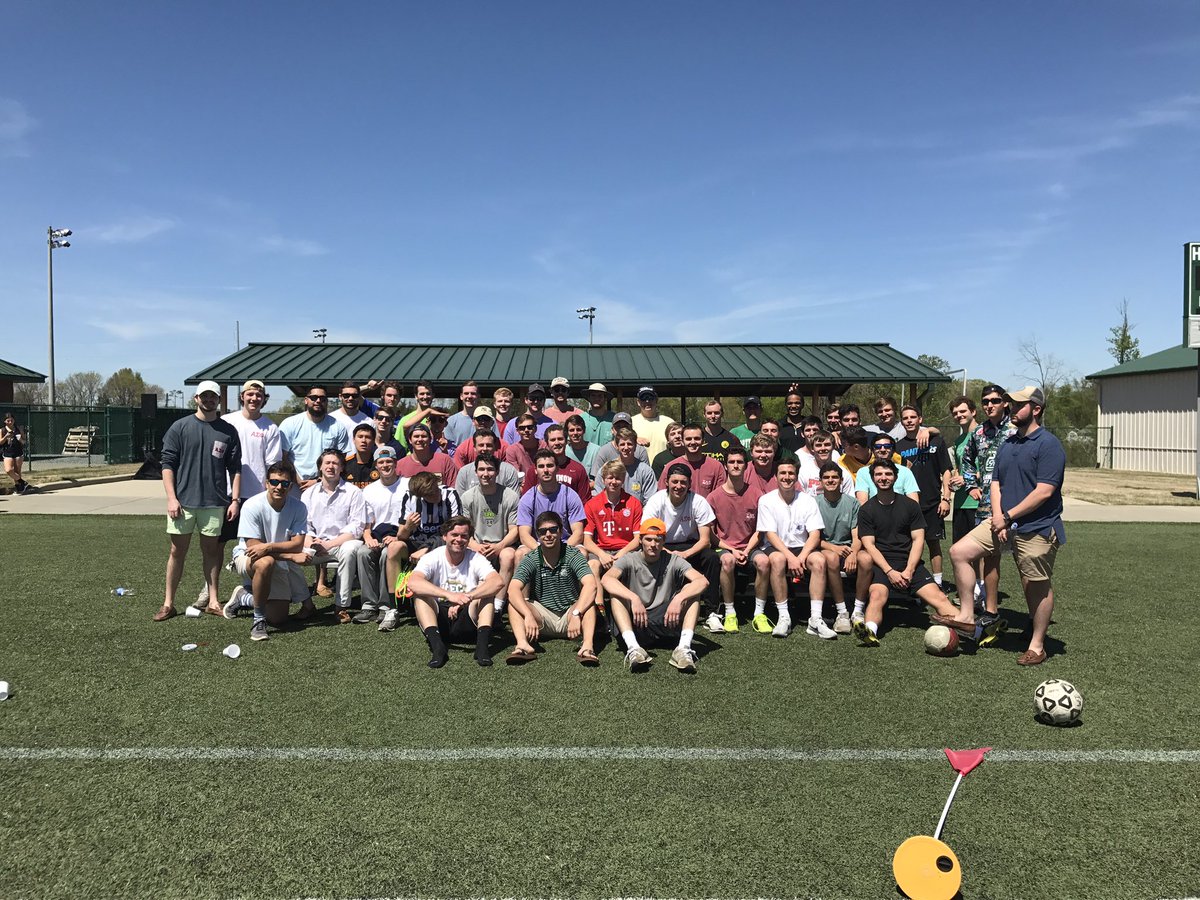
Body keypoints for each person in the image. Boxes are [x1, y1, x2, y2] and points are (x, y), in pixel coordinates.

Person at [942, 387, 1066, 666]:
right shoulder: (1009, 443)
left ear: (1036, 409)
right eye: (1011, 402)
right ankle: (965, 616)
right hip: (1001, 520)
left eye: (1019, 404)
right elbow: (995, 482)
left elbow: (1044, 491)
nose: (1012, 407)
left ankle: (1037, 645)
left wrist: (1007, 516)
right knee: (960, 552)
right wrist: (999, 517)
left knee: (1036, 585)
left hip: (1038, 526)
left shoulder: (1048, 445)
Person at [852, 459, 986, 647]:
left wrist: (908, 570)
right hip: (882, 565)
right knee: (876, 596)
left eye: (888, 474)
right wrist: (890, 572)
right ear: (873, 479)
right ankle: (869, 631)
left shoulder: (910, 505)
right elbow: (870, 545)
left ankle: (979, 632)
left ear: (896, 477)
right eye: (879, 474)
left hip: (909, 563)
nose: (883, 478)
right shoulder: (866, 510)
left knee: (939, 598)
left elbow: (918, 540)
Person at [155, 381, 242, 621]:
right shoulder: (179, 427)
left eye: (213, 396)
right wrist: (172, 498)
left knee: (211, 552)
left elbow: (235, 469)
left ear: (218, 400)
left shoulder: (228, 431)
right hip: (183, 504)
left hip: (215, 503)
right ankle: (168, 603)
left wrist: (234, 500)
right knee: (177, 551)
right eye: (204, 396)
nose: (209, 400)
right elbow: (167, 465)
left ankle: (213, 601)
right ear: (196, 398)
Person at [199, 379, 283, 613]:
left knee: (252, 547)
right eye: (250, 394)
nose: (254, 398)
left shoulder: (271, 428)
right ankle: (209, 590)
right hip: (225, 495)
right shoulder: (226, 421)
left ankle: (249, 589)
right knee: (217, 545)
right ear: (242, 397)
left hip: (256, 499)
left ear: (264, 399)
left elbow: (273, 466)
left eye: (259, 395)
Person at [601, 518, 709, 673]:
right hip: (637, 622)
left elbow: (702, 581)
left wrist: (679, 598)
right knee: (617, 595)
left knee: (691, 593)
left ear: (664, 541)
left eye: (658, 540)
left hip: (666, 620)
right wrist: (633, 598)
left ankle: (683, 649)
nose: (653, 544)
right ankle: (634, 649)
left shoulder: (673, 559)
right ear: (640, 540)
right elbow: (606, 579)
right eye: (648, 539)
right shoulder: (629, 559)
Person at [226, 460, 311, 641]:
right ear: (266, 483)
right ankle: (258, 621)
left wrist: (269, 546)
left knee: (278, 617)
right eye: (274, 482)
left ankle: (243, 597)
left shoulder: (299, 507)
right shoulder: (252, 505)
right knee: (266, 562)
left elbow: (297, 544)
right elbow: (253, 548)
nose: (279, 487)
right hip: (246, 556)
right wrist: (290, 557)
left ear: (290, 486)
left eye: (285, 483)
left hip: (274, 557)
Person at [405, 516, 503, 668]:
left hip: (468, 618)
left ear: (469, 539)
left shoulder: (475, 558)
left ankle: (482, 648)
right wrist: (450, 596)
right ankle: (438, 648)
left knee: (487, 595)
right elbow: (413, 582)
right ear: (444, 536)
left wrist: (468, 597)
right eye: (454, 535)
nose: (459, 539)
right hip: (439, 619)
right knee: (420, 596)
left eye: (464, 536)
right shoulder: (432, 556)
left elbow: (497, 582)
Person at [752, 458, 834, 639]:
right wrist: (790, 557)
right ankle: (784, 617)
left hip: (802, 548)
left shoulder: (808, 500)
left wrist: (802, 556)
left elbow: (814, 534)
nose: (787, 477)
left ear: (796, 477)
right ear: (776, 476)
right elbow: (770, 534)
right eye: (783, 473)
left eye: (791, 473)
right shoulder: (766, 500)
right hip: (776, 547)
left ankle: (815, 618)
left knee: (820, 561)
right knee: (778, 560)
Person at [506, 511, 600, 666]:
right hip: (542, 616)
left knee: (589, 603)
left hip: (570, 614)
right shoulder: (532, 557)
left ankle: (587, 648)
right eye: (543, 531)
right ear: (537, 535)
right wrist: (528, 614)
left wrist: (577, 613)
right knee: (513, 603)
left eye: (553, 530)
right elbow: (513, 589)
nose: (548, 535)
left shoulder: (572, 555)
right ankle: (523, 645)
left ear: (561, 531)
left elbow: (590, 584)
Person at [955, 384, 1017, 616]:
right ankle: (990, 610)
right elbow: (967, 460)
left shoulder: (1016, 429)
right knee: (991, 557)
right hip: (986, 507)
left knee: (1023, 559)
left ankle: (1032, 617)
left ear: (1005, 403)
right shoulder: (978, 433)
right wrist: (971, 485)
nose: (990, 405)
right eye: (986, 401)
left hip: (1015, 506)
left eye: (995, 400)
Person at [641, 463, 721, 616]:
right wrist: (666, 552)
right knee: (648, 552)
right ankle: (653, 606)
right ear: (667, 482)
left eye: (683, 482)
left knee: (711, 557)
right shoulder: (656, 501)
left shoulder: (698, 502)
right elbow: (647, 535)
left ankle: (713, 612)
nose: (679, 486)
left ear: (690, 483)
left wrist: (685, 554)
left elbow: (705, 541)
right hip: (662, 545)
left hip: (690, 546)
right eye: (675, 482)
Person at [302, 449, 367, 623]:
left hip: (341, 543)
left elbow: (357, 526)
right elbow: (303, 524)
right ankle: (306, 604)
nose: (331, 466)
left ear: (341, 468)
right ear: (320, 467)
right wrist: (310, 541)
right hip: (314, 543)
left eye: (335, 463)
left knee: (349, 549)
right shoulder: (308, 494)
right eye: (327, 463)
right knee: (290, 555)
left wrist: (329, 544)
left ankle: (341, 606)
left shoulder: (354, 492)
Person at [706, 445, 765, 634]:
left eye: (740, 462)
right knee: (727, 561)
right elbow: (711, 534)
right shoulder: (713, 497)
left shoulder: (757, 495)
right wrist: (732, 549)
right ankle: (730, 612)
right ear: (725, 466)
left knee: (764, 562)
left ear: (747, 465)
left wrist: (747, 551)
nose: (736, 465)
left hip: (751, 547)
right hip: (725, 547)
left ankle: (759, 613)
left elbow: (760, 530)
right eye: (731, 462)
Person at [896, 405, 954, 587]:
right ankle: (912, 580)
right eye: (905, 418)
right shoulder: (898, 447)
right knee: (910, 546)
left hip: (932, 502)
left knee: (933, 544)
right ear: (902, 422)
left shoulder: (935, 441)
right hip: (908, 505)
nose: (909, 420)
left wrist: (946, 498)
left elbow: (946, 470)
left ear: (920, 419)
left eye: (913, 417)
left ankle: (937, 583)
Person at [352, 446, 409, 632]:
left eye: (389, 461)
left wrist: (398, 536)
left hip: (401, 536)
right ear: (376, 466)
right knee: (362, 552)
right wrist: (367, 537)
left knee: (387, 554)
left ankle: (386, 605)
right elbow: (366, 522)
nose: (385, 465)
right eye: (381, 462)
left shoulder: (407, 485)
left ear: (395, 463)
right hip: (377, 534)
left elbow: (411, 517)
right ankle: (369, 605)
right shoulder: (369, 490)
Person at [460, 453, 521, 613]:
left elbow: (515, 530)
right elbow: (464, 530)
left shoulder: (510, 496)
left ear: (497, 471)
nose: (485, 474)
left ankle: (498, 606)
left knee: (508, 555)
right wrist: (475, 546)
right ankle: (470, 601)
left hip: (503, 543)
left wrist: (499, 546)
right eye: (481, 469)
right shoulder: (468, 497)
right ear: (475, 472)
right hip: (477, 544)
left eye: (490, 469)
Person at [582, 459, 643, 612]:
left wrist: (621, 554)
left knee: (629, 565)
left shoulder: (634, 503)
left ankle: (629, 605)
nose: (614, 481)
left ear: (623, 479)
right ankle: (599, 607)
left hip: (626, 550)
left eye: (618, 478)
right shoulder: (592, 504)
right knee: (593, 565)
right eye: (610, 477)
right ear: (603, 479)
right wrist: (602, 555)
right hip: (601, 550)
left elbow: (638, 539)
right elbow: (587, 541)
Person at [815, 461, 860, 635]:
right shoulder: (814, 503)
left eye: (835, 477)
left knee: (866, 559)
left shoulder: (852, 503)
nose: (831, 480)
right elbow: (813, 538)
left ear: (841, 480)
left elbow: (857, 536)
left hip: (848, 548)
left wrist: (853, 554)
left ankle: (859, 610)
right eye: (826, 477)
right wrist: (833, 548)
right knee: (832, 558)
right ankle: (842, 612)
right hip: (825, 548)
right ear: (820, 481)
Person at [947, 396, 984, 604]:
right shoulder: (959, 440)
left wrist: (968, 478)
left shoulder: (983, 435)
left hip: (977, 502)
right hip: (961, 501)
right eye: (955, 413)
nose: (959, 415)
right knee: (960, 550)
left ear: (973, 411)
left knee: (978, 550)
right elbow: (962, 469)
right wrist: (956, 479)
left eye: (963, 411)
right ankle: (967, 592)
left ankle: (981, 591)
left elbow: (990, 470)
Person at [279, 385, 351, 489]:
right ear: (306, 400)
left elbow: (341, 460)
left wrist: (318, 480)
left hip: (326, 485)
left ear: (326, 401)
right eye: (314, 397)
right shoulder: (290, 424)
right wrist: (297, 480)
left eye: (322, 398)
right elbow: (283, 457)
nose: (318, 401)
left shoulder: (338, 426)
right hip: (294, 485)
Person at [517, 450, 586, 552]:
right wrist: (542, 552)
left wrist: (560, 551)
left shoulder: (570, 495)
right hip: (537, 545)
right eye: (541, 466)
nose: (545, 470)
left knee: (582, 553)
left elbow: (578, 533)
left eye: (550, 465)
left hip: (565, 544)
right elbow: (524, 535)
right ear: (535, 470)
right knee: (520, 554)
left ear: (557, 468)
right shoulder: (528, 498)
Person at [520, 423, 590, 501]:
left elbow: (584, 502)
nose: (557, 443)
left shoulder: (578, 469)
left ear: (566, 441)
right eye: (553, 440)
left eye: (560, 439)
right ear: (547, 443)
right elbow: (526, 500)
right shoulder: (535, 469)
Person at [656, 423, 727, 497]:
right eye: (688, 439)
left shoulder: (716, 467)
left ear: (703, 441)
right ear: (682, 441)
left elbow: (720, 497)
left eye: (697, 438)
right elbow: (661, 496)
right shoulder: (670, 466)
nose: (693, 442)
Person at [854, 434, 920, 504]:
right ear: (873, 450)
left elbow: (914, 502)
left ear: (893, 450)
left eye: (887, 446)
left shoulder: (905, 471)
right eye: (878, 447)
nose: (882, 449)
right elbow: (862, 503)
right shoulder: (863, 472)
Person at [455, 430, 523, 494]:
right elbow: (460, 501)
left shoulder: (509, 471)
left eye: (489, 445)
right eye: (481, 445)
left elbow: (513, 500)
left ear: (495, 447)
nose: (485, 449)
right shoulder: (464, 472)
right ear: (474, 448)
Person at [396, 422, 458, 486]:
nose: (420, 439)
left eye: (424, 436)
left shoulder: (445, 460)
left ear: (430, 439)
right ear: (410, 440)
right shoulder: (400, 466)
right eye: (416, 436)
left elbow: (453, 487)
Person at [397, 380, 449, 447]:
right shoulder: (405, 420)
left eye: (428, 394)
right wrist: (428, 411)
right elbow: (400, 446)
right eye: (422, 394)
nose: (425, 397)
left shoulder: (439, 419)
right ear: (416, 396)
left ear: (433, 395)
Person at [631, 385, 675, 461]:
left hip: (663, 468)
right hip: (640, 470)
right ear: (638, 402)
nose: (647, 401)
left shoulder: (669, 422)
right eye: (643, 398)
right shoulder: (630, 422)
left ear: (656, 400)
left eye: (650, 398)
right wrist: (633, 439)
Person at [443, 380, 484, 447]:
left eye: (473, 393)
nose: (469, 396)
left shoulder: (488, 420)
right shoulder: (451, 421)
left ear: (478, 396)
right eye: (466, 393)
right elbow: (449, 448)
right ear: (461, 396)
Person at [700, 399, 739, 463]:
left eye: (716, 413)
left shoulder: (732, 439)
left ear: (722, 414)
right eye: (709, 413)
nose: (713, 416)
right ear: (704, 415)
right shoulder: (697, 437)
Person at [343, 423, 381, 488]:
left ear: (373, 441)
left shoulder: (379, 464)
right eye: (360, 437)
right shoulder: (345, 464)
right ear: (354, 440)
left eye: (368, 437)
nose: (363, 440)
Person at [1, 412, 28, 494]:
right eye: (8, 421)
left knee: (17, 470)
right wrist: (6, 437)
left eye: (11, 420)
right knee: (9, 470)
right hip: (8, 453)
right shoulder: (2, 430)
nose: (10, 422)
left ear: (14, 420)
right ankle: (22, 482)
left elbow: (24, 441)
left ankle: (19, 488)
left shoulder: (18, 429)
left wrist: (20, 440)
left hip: (18, 452)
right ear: (5, 421)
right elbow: (0, 442)